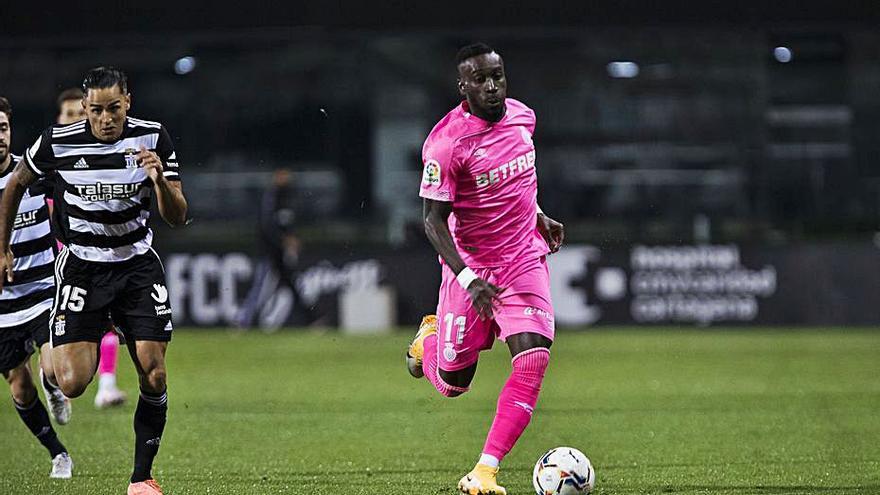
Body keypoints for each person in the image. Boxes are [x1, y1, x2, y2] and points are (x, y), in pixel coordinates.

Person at [0, 67, 188, 495]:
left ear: (128, 103)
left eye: (115, 110)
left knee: (154, 374)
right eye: (98, 110)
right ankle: (53, 375)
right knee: (72, 382)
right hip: (84, 267)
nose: (107, 119)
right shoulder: (57, 142)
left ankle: (142, 478)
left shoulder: (153, 137)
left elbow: (178, 215)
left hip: (137, 265)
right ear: (84, 109)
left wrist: (159, 182)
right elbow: (13, 186)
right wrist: (2, 247)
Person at [406, 43, 565, 495]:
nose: (492, 86)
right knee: (454, 385)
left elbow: (516, 182)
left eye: (497, 76)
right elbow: (432, 222)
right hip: (471, 267)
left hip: (522, 259)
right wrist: (468, 277)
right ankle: (428, 340)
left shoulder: (523, 118)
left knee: (534, 354)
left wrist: (538, 214)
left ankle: (484, 471)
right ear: (463, 87)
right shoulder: (445, 144)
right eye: (481, 79)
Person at [0, 96, 73, 478]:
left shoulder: (30, 171)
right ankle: (58, 454)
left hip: (44, 290)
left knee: (56, 369)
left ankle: (56, 386)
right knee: (19, 386)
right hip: (2, 305)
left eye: (3, 127)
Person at [55, 87, 127, 409]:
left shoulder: (101, 158)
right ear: (59, 119)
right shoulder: (48, 160)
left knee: (107, 318)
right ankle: (51, 374)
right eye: (68, 114)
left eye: (78, 114)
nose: (74, 120)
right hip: (53, 262)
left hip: (92, 260)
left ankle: (107, 386)